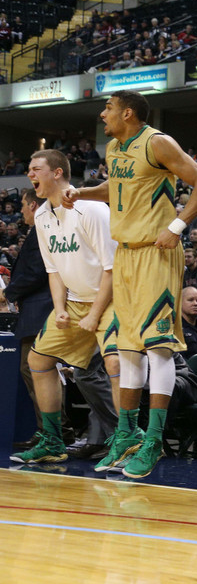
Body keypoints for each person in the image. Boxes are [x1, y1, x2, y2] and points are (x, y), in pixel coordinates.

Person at [64, 90, 197, 479]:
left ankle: (153, 440)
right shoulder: (116, 149)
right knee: (128, 347)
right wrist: (82, 192)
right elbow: (117, 189)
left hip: (156, 251)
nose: (103, 115)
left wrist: (177, 226)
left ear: (128, 112)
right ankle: (127, 434)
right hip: (126, 253)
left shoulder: (157, 142)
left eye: (109, 108)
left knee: (158, 348)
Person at [11, 150, 119, 467]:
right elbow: (53, 271)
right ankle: (53, 441)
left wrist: (95, 314)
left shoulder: (92, 210)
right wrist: (59, 308)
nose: (29, 174)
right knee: (38, 360)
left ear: (57, 173)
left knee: (113, 366)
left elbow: (112, 269)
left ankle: (129, 439)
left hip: (113, 299)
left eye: (36, 169)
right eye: (28, 168)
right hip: (75, 302)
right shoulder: (43, 215)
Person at [3, 190, 56, 446]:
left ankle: (52, 432)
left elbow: (36, 272)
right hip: (36, 307)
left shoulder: (42, 230)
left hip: (40, 308)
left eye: (23, 205)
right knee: (35, 369)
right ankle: (52, 431)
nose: (21, 210)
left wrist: (7, 294)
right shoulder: (38, 230)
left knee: (35, 368)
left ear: (33, 205)